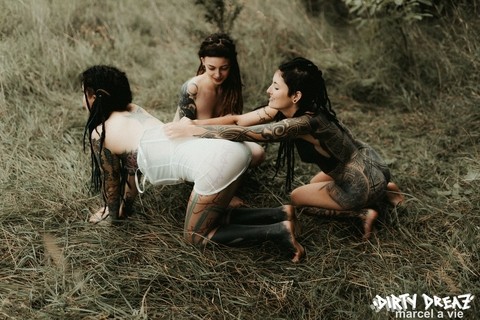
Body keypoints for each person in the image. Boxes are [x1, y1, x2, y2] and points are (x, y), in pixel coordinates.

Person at [81, 65, 304, 262]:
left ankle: (278, 232)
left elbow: (113, 183)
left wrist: (113, 219)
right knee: (209, 216)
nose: (82, 100)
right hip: (228, 148)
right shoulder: (133, 109)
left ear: (94, 97)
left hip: (216, 162)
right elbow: (131, 169)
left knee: (196, 237)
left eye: (84, 94)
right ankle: (279, 213)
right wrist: (125, 206)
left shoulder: (100, 133)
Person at [164, 57, 404, 240]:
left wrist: (193, 133)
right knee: (313, 183)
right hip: (375, 165)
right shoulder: (301, 107)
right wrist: (193, 123)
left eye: (276, 87)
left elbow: (246, 133)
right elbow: (238, 120)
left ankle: (363, 213)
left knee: (298, 198)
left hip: (358, 185)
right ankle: (386, 190)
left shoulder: (302, 123)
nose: (269, 90)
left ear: (295, 95)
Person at [173, 32, 265, 168]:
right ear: (203, 61)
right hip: (192, 142)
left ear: (231, 64)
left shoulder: (232, 85)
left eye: (224, 68)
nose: (217, 75)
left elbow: (236, 126)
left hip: (220, 138)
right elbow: (183, 131)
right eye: (211, 68)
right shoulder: (193, 88)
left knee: (258, 153)